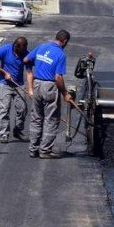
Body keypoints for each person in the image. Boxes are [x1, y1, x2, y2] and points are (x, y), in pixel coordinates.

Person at [25, 29, 74, 159]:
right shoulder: (60, 54)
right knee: (51, 119)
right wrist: (64, 94)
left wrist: (32, 71)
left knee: (36, 118)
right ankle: (45, 150)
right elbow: (58, 77)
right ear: (64, 41)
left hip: (37, 84)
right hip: (49, 87)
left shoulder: (42, 46)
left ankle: (33, 149)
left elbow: (26, 60)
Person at [0, 36, 31, 143]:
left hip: (19, 84)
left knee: (22, 108)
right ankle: (4, 133)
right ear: (15, 47)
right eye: (22, 50)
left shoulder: (26, 53)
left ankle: (18, 130)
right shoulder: (5, 49)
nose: (23, 52)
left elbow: (29, 72)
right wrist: (4, 72)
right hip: (5, 84)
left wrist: (30, 89)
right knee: (4, 109)